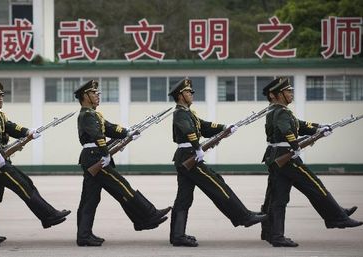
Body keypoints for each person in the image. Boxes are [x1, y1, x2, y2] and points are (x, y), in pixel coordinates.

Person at [260, 77, 362, 247]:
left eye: (291, 91)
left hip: (276, 156)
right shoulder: (282, 112)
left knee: (278, 198)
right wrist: (296, 146)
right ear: (276, 95)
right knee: (315, 185)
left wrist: (319, 127)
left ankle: (274, 234)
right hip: (286, 156)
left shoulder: (275, 111)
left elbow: (299, 125)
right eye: (287, 91)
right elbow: (287, 130)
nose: (291, 94)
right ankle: (337, 217)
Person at [168, 78, 266, 247]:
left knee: (184, 198)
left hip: (187, 156)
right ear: (180, 95)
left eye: (191, 92)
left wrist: (224, 128)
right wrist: (198, 147)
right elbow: (189, 131)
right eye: (188, 92)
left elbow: (204, 127)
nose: (191, 94)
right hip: (189, 156)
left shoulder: (189, 113)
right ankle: (244, 216)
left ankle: (177, 235)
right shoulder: (180, 113)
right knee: (217, 186)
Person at [74, 80, 171, 247]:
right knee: (123, 187)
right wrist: (105, 153)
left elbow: (110, 128)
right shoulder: (87, 115)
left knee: (90, 199)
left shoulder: (94, 115)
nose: (98, 96)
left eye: (98, 93)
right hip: (96, 156)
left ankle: (84, 235)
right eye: (94, 93)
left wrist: (128, 133)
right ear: (85, 96)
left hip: (94, 156)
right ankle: (149, 214)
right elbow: (98, 136)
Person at [0, 82, 71, 247]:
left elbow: (11, 127)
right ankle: (48, 215)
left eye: (0, 96)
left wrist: (28, 132)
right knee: (23, 184)